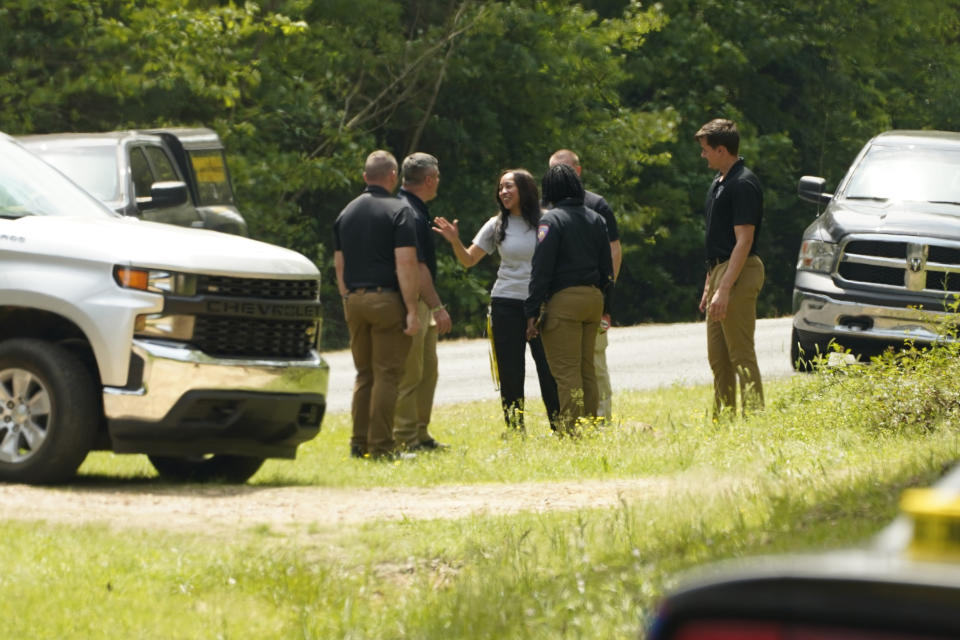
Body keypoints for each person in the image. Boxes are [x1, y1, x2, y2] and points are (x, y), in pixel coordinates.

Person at [433, 169, 561, 431]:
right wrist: (455, 241)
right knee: (511, 372)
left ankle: (560, 426)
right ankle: (516, 429)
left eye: (509, 186)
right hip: (506, 303)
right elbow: (468, 259)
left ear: (525, 189)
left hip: (543, 304)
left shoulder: (548, 221)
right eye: (500, 188)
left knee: (549, 370)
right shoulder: (495, 224)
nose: (503, 192)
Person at [333, 150, 421, 460]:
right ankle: (382, 447)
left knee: (364, 374)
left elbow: (339, 263)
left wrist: (347, 296)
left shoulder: (346, 213)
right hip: (386, 300)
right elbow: (406, 264)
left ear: (364, 177)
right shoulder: (399, 211)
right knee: (387, 374)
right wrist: (411, 309)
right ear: (393, 176)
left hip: (354, 300)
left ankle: (359, 444)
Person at [525, 163, 614, 432]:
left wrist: (531, 311)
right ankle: (592, 422)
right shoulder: (595, 218)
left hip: (564, 301)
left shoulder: (551, 221)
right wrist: (606, 305)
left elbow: (541, 268)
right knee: (587, 367)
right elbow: (607, 268)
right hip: (593, 299)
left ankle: (571, 429)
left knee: (566, 371)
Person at [695, 118, 765, 416]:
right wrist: (709, 284)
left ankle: (754, 418)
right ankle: (723, 419)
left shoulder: (743, 183)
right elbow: (718, 241)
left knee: (740, 354)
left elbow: (744, 240)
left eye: (706, 149)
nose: (703, 155)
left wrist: (724, 288)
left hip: (740, 270)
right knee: (718, 357)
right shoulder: (720, 182)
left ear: (722, 149)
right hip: (720, 271)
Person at [548, 149, 622, 421]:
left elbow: (614, 253)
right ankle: (575, 420)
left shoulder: (596, 205)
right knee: (568, 367)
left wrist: (605, 298)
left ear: (577, 171)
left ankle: (601, 419)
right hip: (562, 300)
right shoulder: (549, 208)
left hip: (592, 297)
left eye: (564, 169)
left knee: (594, 363)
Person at [394, 152, 452, 451]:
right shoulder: (409, 213)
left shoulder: (415, 209)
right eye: (437, 177)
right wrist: (438, 306)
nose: (438, 182)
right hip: (413, 301)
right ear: (429, 180)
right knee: (411, 372)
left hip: (421, 302)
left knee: (427, 370)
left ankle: (420, 433)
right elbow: (417, 267)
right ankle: (405, 439)